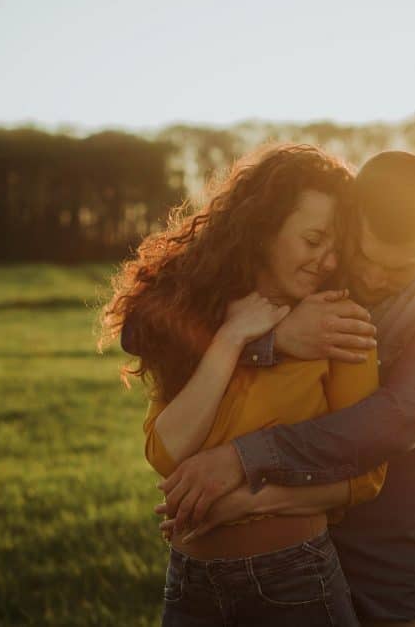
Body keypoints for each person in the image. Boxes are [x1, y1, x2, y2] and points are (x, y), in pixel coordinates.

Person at [156, 151, 415, 627]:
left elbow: (395, 421)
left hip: (390, 567)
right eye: (365, 256)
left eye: (399, 269)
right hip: (283, 560)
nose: (373, 278)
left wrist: (243, 458)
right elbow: (155, 327)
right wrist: (276, 338)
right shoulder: (313, 263)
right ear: (349, 218)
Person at [101, 143, 387, 627]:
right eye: (313, 239)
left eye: (336, 246)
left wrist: (243, 502)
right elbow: (167, 453)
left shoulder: (339, 323)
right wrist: (233, 337)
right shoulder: (201, 316)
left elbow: (365, 475)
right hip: (191, 582)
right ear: (262, 231)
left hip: (295, 580)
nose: (326, 260)